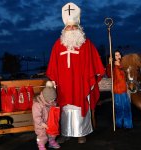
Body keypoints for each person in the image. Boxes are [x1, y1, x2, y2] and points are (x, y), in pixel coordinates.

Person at [46, 2, 105, 144]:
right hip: (63, 85)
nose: (71, 29)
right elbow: (53, 66)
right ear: (64, 28)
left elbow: (94, 64)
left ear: (79, 28)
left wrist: (89, 79)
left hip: (80, 83)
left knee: (79, 105)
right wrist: (53, 81)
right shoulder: (57, 44)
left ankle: (81, 133)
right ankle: (66, 133)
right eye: (68, 26)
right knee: (65, 107)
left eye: (74, 26)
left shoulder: (86, 44)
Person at [107, 50, 133, 129]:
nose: (118, 56)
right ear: (114, 57)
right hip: (116, 90)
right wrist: (109, 64)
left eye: (119, 55)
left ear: (121, 56)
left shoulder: (124, 64)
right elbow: (109, 74)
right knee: (118, 107)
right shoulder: (112, 66)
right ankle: (118, 124)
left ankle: (127, 124)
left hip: (124, 90)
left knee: (126, 107)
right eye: (116, 55)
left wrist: (120, 66)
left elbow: (126, 74)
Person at [32, 81, 60, 150]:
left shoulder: (52, 102)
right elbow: (36, 116)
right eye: (51, 100)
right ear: (45, 98)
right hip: (41, 124)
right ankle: (41, 146)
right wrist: (42, 123)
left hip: (50, 122)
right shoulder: (37, 104)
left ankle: (51, 141)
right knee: (42, 135)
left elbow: (54, 112)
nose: (52, 101)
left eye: (53, 99)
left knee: (52, 132)